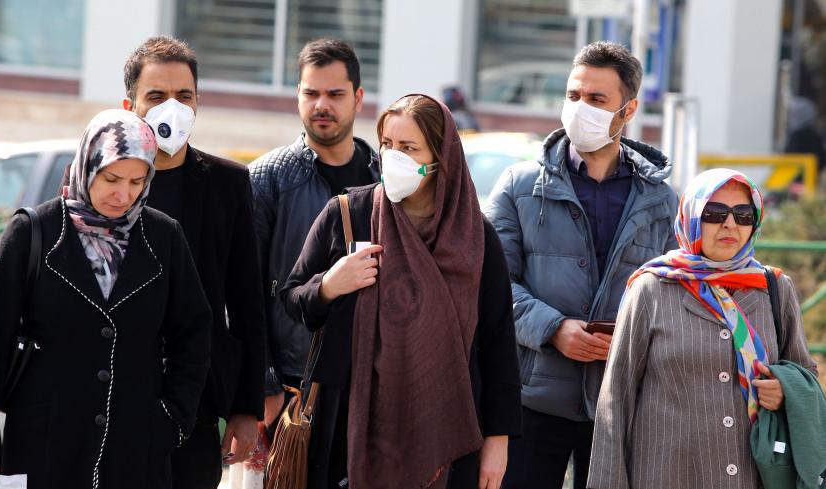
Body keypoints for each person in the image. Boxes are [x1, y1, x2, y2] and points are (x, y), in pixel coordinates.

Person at [0, 109, 211, 489]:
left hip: (134, 451)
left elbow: (193, 335)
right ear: (88, 165)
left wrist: (172, 419)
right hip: (42, 445)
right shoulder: (33, 232)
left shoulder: (164, 238)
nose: (123, 194)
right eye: (110, 178)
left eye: (136, 181)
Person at [280, 94, 521, 489]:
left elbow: (498, 344)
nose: (394, 157)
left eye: (408, 148)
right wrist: (328, 285)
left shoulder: (476, 238)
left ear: (440, 158)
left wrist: (498, 440)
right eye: (387, 145)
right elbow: (293, 299)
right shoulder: (348, 215)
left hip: (450, 435)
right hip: (349, 429)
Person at [484, 41, 679, 489]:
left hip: (620, 403)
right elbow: (490, 283)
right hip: (531, 400)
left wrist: (631, 339)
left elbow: (672, 298)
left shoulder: (660, 200)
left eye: (596, 100)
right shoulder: (519, 186)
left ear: (627, 111)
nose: (580, 108)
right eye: (573, 96)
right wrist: (553, 329)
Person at [588, 168, 820, 489]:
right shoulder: (651, 288)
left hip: (753, 476)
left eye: (743, 214)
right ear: (691, 217)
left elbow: (804, 371)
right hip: (668, 475)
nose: (729, 224)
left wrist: (785, 390)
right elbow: (616, 398)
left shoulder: (775, 288)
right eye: (714, 213)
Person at [119, 36, 267, 488]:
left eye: (184, 96)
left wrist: (245, 409)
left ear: (198, 102)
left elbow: (248, 297)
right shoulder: (102, 180)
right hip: (113, 394)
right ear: (130, 106)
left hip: (196, 400)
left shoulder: (227, 183)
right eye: (157, 96)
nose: (173, 108)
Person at [250, 38, 379, 426]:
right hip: (289, 387)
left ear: (358, 98)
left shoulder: (383, 178)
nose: (322, 105)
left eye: (335, 94)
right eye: (311, 93)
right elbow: (241, 295)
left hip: (367, 383)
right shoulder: (265, 178)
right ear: (298, 96)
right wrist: (264, 382)